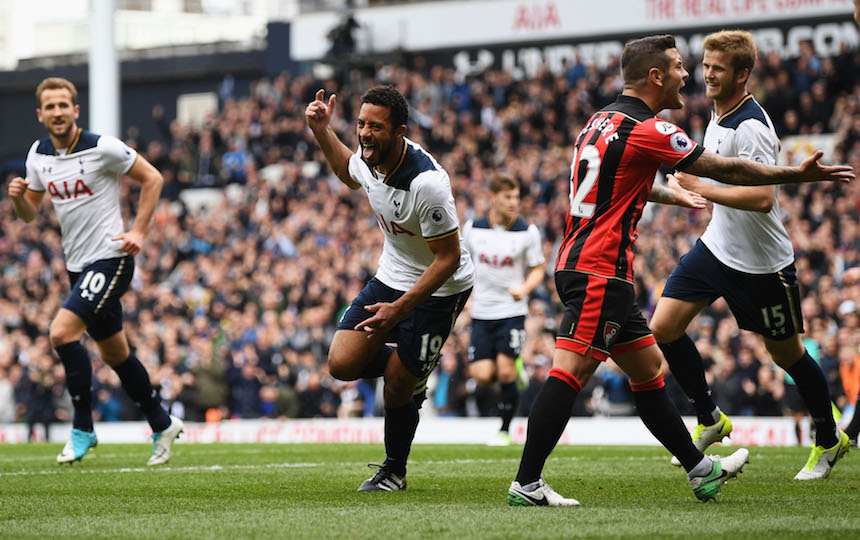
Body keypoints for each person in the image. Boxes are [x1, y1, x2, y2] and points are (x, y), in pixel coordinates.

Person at [507, 34, 853, 507]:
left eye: (709, 66)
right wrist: (796, 174)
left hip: (745, 262)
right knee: (571, 371)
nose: (692, 74)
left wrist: (679, 194)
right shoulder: (655, 128)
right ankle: (527, 483)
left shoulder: (601, 120)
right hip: (602, 269)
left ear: (741, 75)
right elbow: (719, 169)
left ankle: (701, 465)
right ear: (655, 76)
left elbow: (624, 182)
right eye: (681, 67)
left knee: (651, 366)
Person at [649, 30, 850, 480]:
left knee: (788, 356)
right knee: (663, 326)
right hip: (717, 248)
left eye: (717, 69)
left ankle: (828, 439)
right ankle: (709, 418)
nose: (707, 75)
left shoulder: (752, 126)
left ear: (742, 74)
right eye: (704, 66)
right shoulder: (719, 115)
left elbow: (762, 198)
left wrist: (703, 188)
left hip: (763, 264)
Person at [305, 85, 474, 491]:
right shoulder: (369, 158)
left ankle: (394, 469)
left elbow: (447, 258)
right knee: (342, 364)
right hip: (392, 275)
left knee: (397, 385)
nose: (364, 133)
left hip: (442, 287)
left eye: (375, 127)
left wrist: (398, 310)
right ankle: (414, 369)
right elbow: (349, 174)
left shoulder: (426, 183)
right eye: (361, 124)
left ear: (400, 131)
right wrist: (322, 131)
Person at [7, 77, 183, 465]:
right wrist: (19, 200)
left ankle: (83, 428)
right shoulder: (38, 155)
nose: (57, 112)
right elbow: (30, 214)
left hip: (111, 257)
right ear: (40, 114)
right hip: (77, 266)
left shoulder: (102, 147)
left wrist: (138, 230)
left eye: (63, 105)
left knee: (61, 332)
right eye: (49, 107)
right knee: (115, 352)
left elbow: (152, 177)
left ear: (76, 110)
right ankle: (162, 421)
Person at [462, 172, 544, 446]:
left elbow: (538, 269)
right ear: (492, 198)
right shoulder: (472, 229)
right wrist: (466, 298)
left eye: (516, 197)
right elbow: (461, 264)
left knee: (506, 372)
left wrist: (524, 288)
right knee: (482, 375)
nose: (513, 202)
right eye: (508, 197)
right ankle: (514, 365)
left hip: (512, 310)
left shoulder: (527, 232)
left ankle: (505, 430)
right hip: (482, 312)